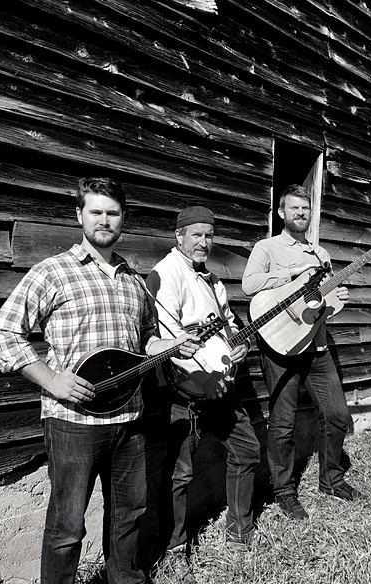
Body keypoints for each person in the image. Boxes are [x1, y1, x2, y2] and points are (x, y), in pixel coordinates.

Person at [0, 178, 200, 584]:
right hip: (72, 423)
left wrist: (171, 345)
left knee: (129, 516)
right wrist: (51, 380)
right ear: (80, 216)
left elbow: (144, 339)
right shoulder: (52, 272)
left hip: (129, 420)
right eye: (96, 211)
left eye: (113, 213)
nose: (104, 220)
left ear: (123, 219)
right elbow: (3, 333)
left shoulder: (134, 281)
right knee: (67, 529)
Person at [146, 206, 261, 573]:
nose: (203, 242)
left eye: (209, 236)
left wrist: (238, 345)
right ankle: (175, 547)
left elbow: (229, 324)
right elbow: (166, 339)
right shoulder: (165, 274)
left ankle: (240, 532)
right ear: (178, 236)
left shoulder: (212, 281)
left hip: (222, 384)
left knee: (246, 450)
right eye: (196, 235)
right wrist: (200, 378)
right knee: (179, 474)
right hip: (184, 390)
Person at [241, 185, 360, 521]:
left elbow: (323, 304)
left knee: (337, 415)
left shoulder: (321, 255)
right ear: (281, 213)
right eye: (294, 208)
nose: (301, 214)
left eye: (305, 209)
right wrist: (291, 274)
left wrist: (337, 300)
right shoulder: (267, 248)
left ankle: (331, 479)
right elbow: (249, 285)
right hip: (280, 349)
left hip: (317, 345)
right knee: (282, 424)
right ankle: (283, 491)